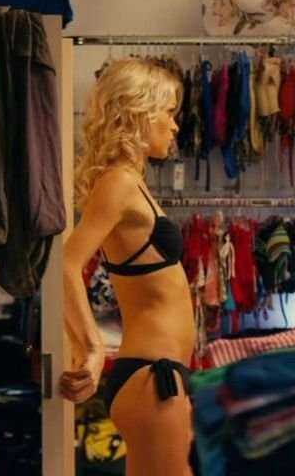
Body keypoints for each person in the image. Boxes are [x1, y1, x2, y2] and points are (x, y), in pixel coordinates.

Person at [59, 57, 195, 474]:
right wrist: (91, 348)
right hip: (153, 376)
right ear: (140, 113)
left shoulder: (131, 182)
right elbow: (65, 265)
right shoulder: (118, 182)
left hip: (158, 375)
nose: (175, 126)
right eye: (168, 112)